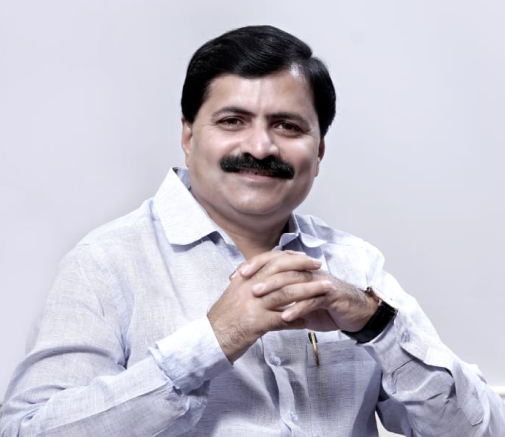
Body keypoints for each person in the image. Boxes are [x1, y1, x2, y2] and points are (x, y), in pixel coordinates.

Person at [0, 25, 503, 437]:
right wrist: (213, 341)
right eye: (233, 120)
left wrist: (378, 325)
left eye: (288, 126)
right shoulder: (107, 262)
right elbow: (27, 431)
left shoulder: (356, 264)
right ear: (188, 134)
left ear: (319, 151)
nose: (261, 147)